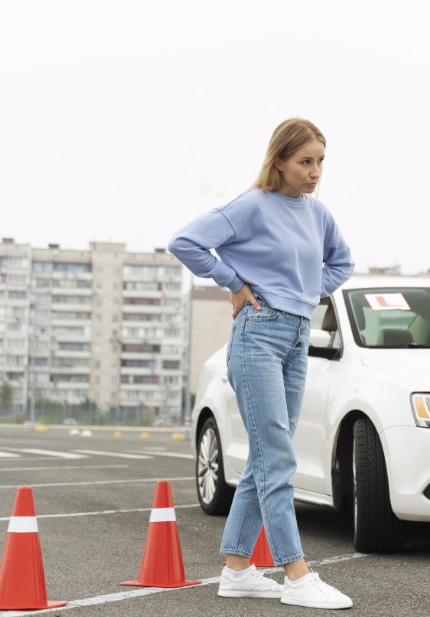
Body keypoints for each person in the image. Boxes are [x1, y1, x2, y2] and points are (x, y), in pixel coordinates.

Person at [168, 118, 355, 610]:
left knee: (267, 456)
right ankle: (296, 574)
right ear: (280, 161)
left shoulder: (318, 215)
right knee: (277, 458)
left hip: (297, 337)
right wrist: (234, 282)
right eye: (305, 162)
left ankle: (236, 570)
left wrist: (307, 291)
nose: (315, 172)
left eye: (320, 162)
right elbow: (185, 242)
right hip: (258, 335)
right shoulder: (251, 205)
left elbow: (342, 262)